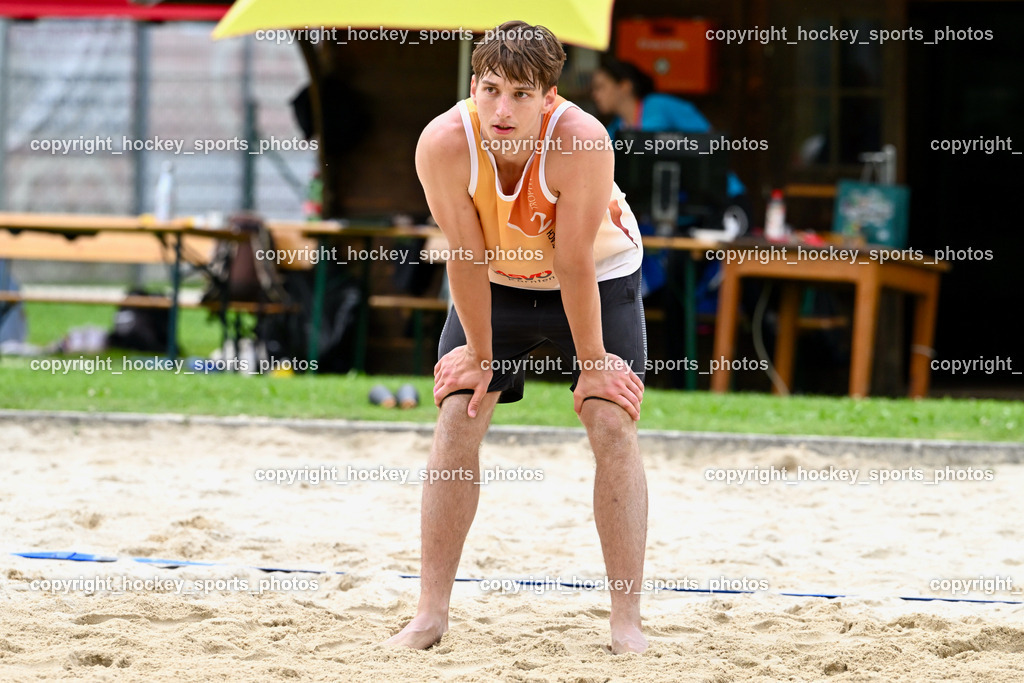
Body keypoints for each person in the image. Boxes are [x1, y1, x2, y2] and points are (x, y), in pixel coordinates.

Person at [385, 21, 649, 654]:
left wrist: (593, 366)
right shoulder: (445, 142)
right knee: (459, 413)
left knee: (610, 420)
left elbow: (574, 261)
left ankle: (625, 623)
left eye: (521, 95)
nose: (502, 109)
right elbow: (465, 255)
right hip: (496, 278)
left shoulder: (581, 140)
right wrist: (479, 357)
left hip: (594, 274)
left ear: (550, 97)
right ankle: (430, 614)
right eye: (490, 89)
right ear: (473, 86)